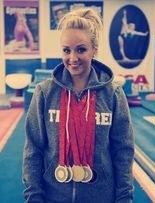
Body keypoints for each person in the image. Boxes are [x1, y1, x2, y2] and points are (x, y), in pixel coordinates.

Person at [22, 7, 135, 203]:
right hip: (53, 197)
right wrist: (33, 197)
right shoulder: (44, 93)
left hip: (100, 197)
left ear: (94, 50)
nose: (72, 58)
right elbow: (33, 150)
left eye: (81, 49)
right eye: (66, 50)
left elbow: (123, 152)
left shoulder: (113, 95)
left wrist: (124, 198)